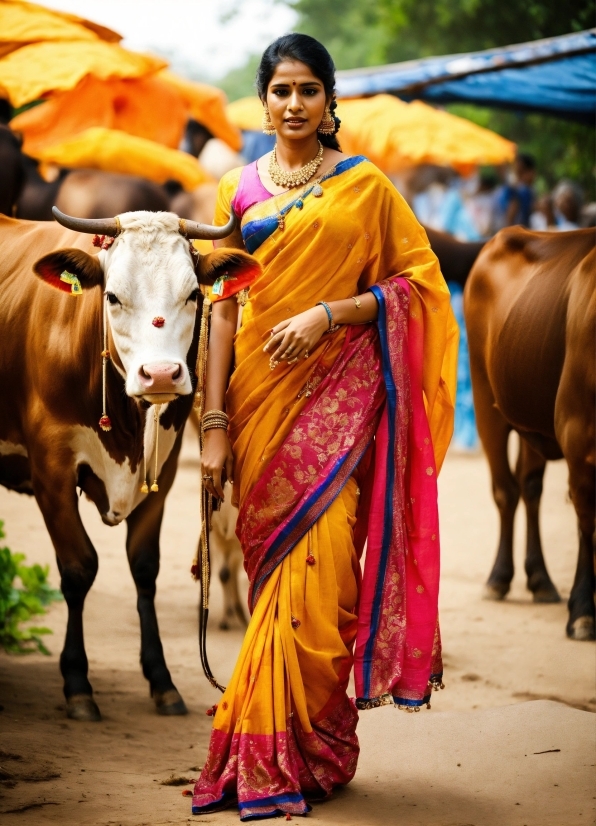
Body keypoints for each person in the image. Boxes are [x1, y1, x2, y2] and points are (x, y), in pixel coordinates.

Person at [192, 33, 458, 821]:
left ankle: (305, 744)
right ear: (265, 101)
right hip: (258, 406)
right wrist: (211, 424)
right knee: (278, 579)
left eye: (309, 89)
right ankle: (266, 748)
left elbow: (416, 284)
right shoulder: (238, 191)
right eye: (282, 90)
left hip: (339, 407)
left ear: (329, 101)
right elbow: (221, 309)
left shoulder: (367, 187)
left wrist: (330, 313)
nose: (295, 103)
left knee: (328, 575)